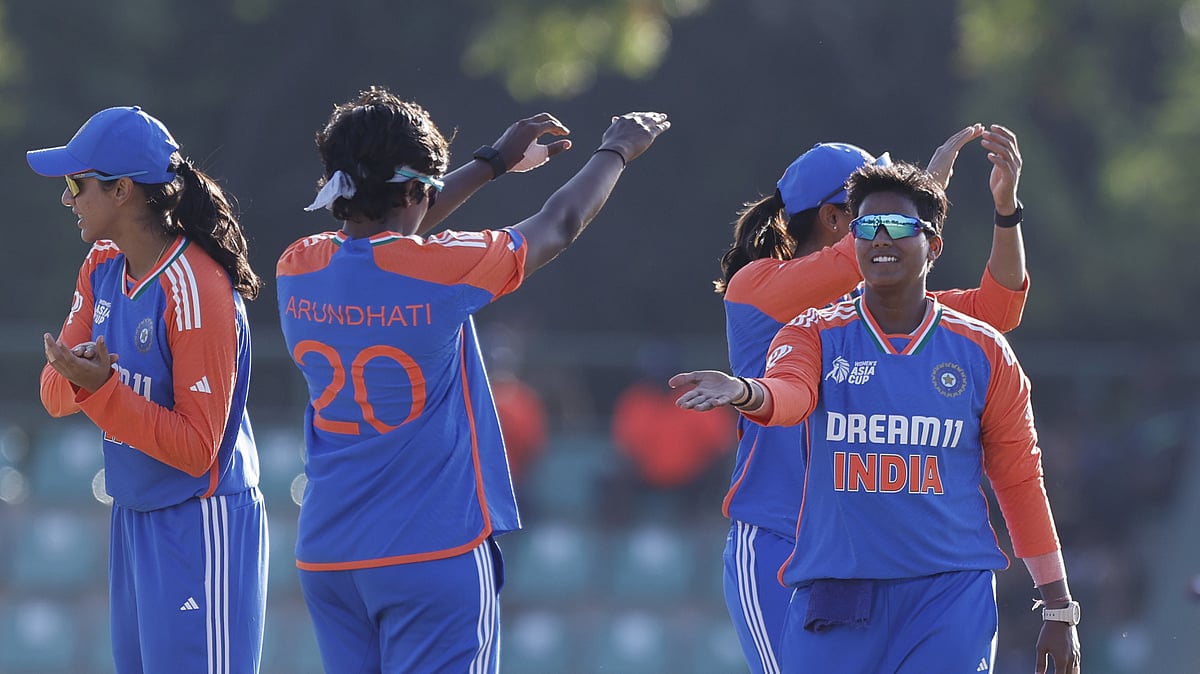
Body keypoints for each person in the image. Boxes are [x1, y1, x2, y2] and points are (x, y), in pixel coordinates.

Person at [275, 85, 669, 673]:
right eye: (427, 190)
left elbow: (392, 232)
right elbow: (559, 223)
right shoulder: (441, 270)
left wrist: (492, 164)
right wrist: (616, 150)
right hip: (432, 554)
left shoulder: (297, 265)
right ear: (414, 191)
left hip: (330, 558)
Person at [672, 160, 1081, 674]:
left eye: (900, 225)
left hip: (945, 583)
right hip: (810, 552)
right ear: (836, 219)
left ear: (934, 244)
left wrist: (1004, 211)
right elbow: (792, 392)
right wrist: (747, 391)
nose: (880, 237)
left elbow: (1019, 472)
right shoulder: (790, 310)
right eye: (866, 221)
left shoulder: (973, 345)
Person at [30, 106, 268, 673]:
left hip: (200, 519)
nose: (66, 199)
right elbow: (52, 391)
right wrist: (83, 379)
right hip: (134, 512)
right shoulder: (103, 264)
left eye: (75, 183)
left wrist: (102, 387)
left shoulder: (197, 286)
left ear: (123, 192)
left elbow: (196, 450)